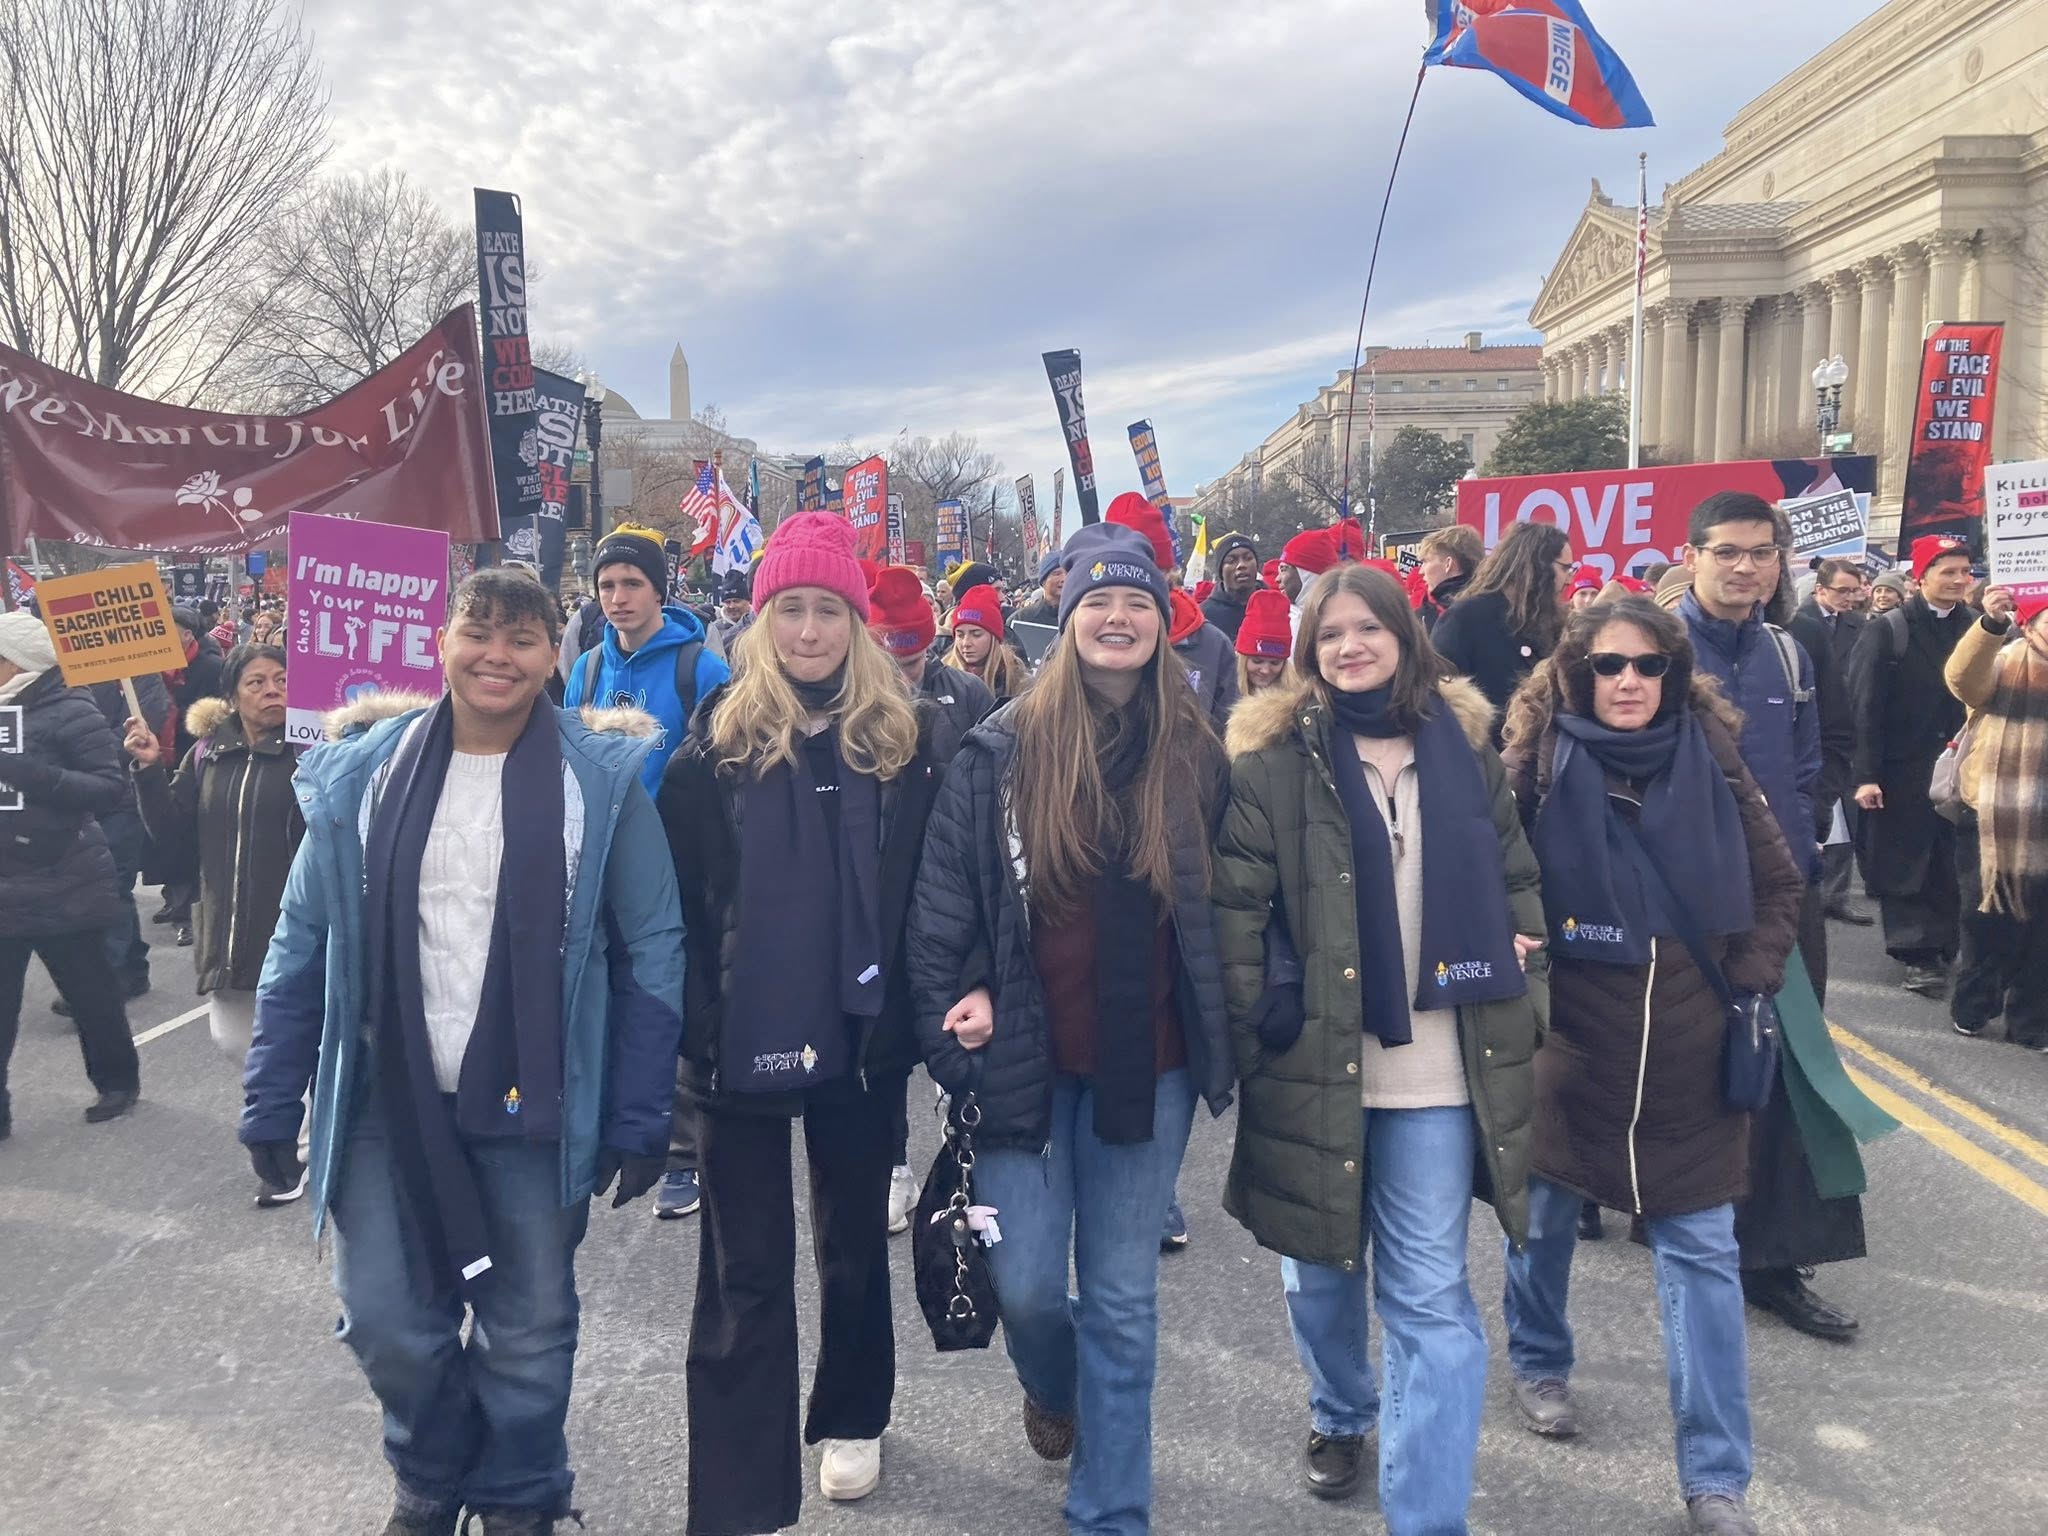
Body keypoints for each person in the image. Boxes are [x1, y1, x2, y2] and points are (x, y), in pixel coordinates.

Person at [240, 569, 683, 1536]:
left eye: (523, 638)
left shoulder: (598, 782)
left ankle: (521, 1491)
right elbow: (302, 936)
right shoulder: (362, 772)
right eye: (479, 631)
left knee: (528, 1328)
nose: (497, 655)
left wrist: (642, 1107)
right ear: (441, 642)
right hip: (384, 1095)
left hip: (536, 1098)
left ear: (552, 655)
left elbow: (653, 944)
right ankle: (433, 1470)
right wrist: (271, 1092)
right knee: (387, 1321)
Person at [908, 522, 1234, 1536]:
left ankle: (1110, 1507)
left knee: (1124, 1300)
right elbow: (945, 905)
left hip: (1149, 1065)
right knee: (1028, 1286)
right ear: (1069, 615)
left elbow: (1229, 907)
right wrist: (957, 1003)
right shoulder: (1000, 749)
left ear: (1162, 622)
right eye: (1099, 600)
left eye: (1137, 601)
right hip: (1025, 1059)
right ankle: (1053, 1388)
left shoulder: (1197, 752)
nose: (1118, 617)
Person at [1213, 564, 1546, 1533]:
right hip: (1312, 1064)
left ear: (1406, 636)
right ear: (1307, 652)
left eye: (1367, 628)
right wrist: (1257, 1031)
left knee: (1431, 1305)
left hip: (1440, 1073)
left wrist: (1527, 984)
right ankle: (1339, 1408)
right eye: (1329, 634)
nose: (1349, 646)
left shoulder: (1465, 751)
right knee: (1319, 1280)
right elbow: (1235, 917)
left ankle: (1425, 1518)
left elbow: (1517, 880)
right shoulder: (1270, 765)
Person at [657, 513, 941, 1532]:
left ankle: (855, 1413)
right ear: (760, 619)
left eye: (828, 610)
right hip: (737, 1040)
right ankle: (741, 1488)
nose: (809, 631)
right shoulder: (710, 752)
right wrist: (694, 1031)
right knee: (743, 1265)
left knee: (852, 1243)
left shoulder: (908, 745)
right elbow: (679, 913)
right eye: (791, 609)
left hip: (862, 1037)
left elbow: (932, 891)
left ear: (856, 625)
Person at [1499, 596, 1803, 1536]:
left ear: (1673, 673)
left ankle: (1716, 1478)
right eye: (1607, 664)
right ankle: (1539, 1359)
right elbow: (1490, 878)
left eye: (1647, 664)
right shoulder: (1536, 762)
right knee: (1543, 1218)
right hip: (1572, 1042)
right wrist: (1523, 966)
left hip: (1689, 1049)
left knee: (1703, 1258)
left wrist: (1744, 980)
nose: (1627, 680)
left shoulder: (1713, 754)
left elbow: (1778, 884)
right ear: (1575, 672)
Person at [562, 529, 730, 1222]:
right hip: (602, 861)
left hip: (679, 864)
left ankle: (684, 1155)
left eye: (632, 583)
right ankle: (611, 1126)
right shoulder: (587, 668)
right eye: (607, 586)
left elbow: (726, 770)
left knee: (674, 1000)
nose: (618, 597)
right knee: (605, 993)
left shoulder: (701, 669)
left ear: (659, 590)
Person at [125, 643, 308, 1204]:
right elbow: (173, 838)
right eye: (256, 682)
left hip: (297, 926)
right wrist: (149, 771)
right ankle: (301, 1114)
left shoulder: (312, 749)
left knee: (303, 1040)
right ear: (232, 695)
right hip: (227, 925)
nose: (271, 690)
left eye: (282, 679)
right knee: (233, 1038)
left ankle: (298, 1146)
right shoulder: (207, 754)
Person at [0, 613, 143, 1140]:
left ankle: (117, 1082)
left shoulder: (71, 709)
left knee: (91, 996)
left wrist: (23, 772)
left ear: (20, 661)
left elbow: (108, 789)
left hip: (63, 878)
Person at [1849, 534, 1978, 996]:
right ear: (1921, 578)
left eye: (1965, 572)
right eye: (1948, 572)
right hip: (1902, 768)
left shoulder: (1976, 626)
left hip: (1962, 766)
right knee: (1907, 861)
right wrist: (1866, 775)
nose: (1959, 580)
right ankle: (1915, 953)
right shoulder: (1889, 630)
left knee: (1951, 859)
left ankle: (1943, 945)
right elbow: (1865, 706)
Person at [1944, 585, 2048, 1049]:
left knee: (2042, 930)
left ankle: (2032, 1021)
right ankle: (1974, 1003)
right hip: (1992, 816)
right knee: (1986, 917)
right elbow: (1962, 679)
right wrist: (1988, 626)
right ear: (2029, 624)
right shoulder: (2004, 661)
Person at [1431, 519, 1576, 738]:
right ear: (1537, 565)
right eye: (1564, 568)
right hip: (1486, 753)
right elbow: (1438, 697)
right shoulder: (1465, 619)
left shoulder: (1554, 622)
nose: (1569, 580)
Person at [1797, 558, 1873, 924]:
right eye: (1842, 590)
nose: (1849, 598)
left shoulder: (1860, 625)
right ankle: (1808, 893)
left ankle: (1836, 896)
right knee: (1818, 815)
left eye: (1854, 591)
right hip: (1812, 726)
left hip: (1848, 726)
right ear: (1820, 590)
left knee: (1846, 821)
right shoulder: (1798, 624)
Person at [870, 566, 994, 765]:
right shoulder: (849, 700)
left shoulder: (970, 692)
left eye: (911, 664)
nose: (902, 679)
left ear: (927, 648)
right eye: (890, 666)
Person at [944, 582, 1029, 703]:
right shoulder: (943, 679)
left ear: (994, 637)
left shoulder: (1019, 682)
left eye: (976, 634)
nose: (966, 643)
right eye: (960, 635)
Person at [1415, 524, 1482, 633]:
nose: (1421, 571)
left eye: (1426, 561)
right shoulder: (1495, 604)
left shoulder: (1438, 615)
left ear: (1448, 564)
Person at [1233, 588, 1295, 698]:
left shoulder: (1298, 698)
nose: (1265, 671)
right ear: (1242, 659)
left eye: (1275, 663)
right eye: (1257, 661)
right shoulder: (1221, 693)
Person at [1201, 531, 1262, 640]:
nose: (1241, 565)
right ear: (1221, 571)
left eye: (1248, 558)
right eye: (1231, 561)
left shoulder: (1274, 606)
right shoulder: (1204, 616)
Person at [705, 568, 754, 660]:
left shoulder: (759, 623)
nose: (732, 606)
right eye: (727, 602)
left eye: (736, 601)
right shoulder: (714, 629)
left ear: (748, 601)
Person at [1014, 551, 1067, 628]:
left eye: (1068, 573)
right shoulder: (1021, 619)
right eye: (1057, 574)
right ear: (1043, 581)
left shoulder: (1080, 615)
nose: (1064, 579)